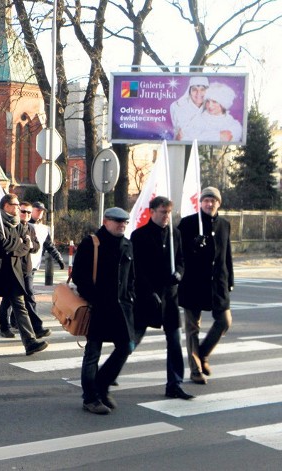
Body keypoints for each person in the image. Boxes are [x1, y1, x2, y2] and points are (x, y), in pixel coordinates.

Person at [73, 207, 135, 415]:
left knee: (126, 347)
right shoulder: (92, 243)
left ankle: (101, 386)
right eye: (117, 222)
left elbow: (131, 277)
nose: (122, 225)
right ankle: (90, 398)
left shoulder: (127, 245)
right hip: (98, 307)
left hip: (121, 308)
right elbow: (79, 276)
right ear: (105, 221)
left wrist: (130, 297)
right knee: (93, 353)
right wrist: (94, 298)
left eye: (125, 222)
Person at [131, 196, 193, 400]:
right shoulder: (139, 235)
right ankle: (110, 371)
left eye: (168, 212)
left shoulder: (175, 234)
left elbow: (182, 260)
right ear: (152, 212)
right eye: (162, 212)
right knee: (131, 340)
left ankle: (174, 383)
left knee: (175, 341)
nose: (166, 216)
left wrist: (180, 274)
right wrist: (148, 291)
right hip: (148, 297)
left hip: (170, 298)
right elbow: (137, 269)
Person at [0, 193, 49, 356]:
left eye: (17, 205)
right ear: (6, 206)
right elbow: (2, 245)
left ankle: (30, 342)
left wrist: (18, 245)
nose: (18, 208)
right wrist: (19, 244)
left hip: (15, 272)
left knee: (20, 306)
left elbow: (26, 247)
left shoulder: (20, 225)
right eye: (14, 205)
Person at [178, 187, 233, 385]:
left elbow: (227, 255)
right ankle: (195, 369)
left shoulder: (224, 224)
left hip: (218, 283)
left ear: (219, 203)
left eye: (213, 201)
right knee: (193, 328)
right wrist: (193, 245)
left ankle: (202, 354)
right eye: (206, 200)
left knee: (225, 321)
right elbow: (179, 253)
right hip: (193, 283)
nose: (210, 204)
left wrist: (230, 282)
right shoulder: (188, 223)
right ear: (200, 202)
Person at [0, 201, 50, 339]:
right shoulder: (13, 226)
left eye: (28, 212)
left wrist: (27, 245)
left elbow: (37, 246)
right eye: (23, 211)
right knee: (8, 300)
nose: (26, 214)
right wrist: (26, 245)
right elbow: (14, 248)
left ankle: (36, 328)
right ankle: (5, 327)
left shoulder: (30, 228)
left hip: (27, 268)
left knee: (28, 297)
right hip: (14, 268)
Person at [170, 76, 208, 140]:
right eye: (194, 89)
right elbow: (178, 135)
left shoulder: (213, 108)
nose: (198, 93)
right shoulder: (177, 107)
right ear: (189, 91)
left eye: (202, 89)